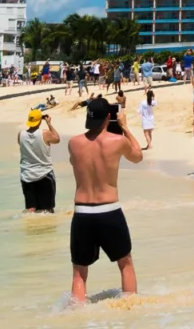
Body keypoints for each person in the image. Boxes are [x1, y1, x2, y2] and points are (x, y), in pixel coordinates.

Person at [67, 96, 143, 303]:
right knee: (125, 264)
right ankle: (130, 309)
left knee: (79, 272)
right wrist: (125, 127)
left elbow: (75, 162)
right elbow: (137, 156)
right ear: (109, 117)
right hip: (109, 210)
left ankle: (76, 314)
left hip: (82, 212)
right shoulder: (117, 141)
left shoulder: (73, 143)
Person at [19, 107, 61, 213]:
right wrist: (49, 124)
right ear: (40, 121)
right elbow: (57, 139)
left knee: (31, 209)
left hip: (27, 175)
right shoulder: (44, 133)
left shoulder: (21, 135)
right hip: (44, 174)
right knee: (48, 210)